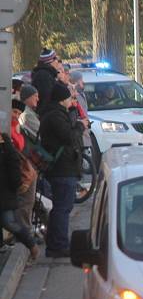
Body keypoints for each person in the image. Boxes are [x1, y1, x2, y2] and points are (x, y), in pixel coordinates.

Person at [38, 82, 87, 258]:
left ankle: (55, 243)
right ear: (61, 100)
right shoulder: (55, 116)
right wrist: (81, 126)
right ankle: (58, 245)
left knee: (61, 207)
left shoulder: (55, 113)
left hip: (63, 166)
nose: (70, 100)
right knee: (62, 207)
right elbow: (68, 136)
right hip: (62, 168)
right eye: (68, 97)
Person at [0, 131, 39, 259]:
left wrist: (14, 186)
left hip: (5, 194)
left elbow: (14, 169)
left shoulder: (7, 147)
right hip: (6, 192)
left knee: (9, 222)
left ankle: (30, 243)